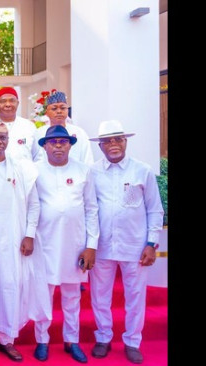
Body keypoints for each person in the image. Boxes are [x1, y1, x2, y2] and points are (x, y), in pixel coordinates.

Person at [0, 121, 51, 363]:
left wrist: (29, 234)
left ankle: (7, 340)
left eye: (3, 137)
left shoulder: (22, 167)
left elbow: (34, 204)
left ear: (9, 140)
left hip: (14, 239)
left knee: (11, 285)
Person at [88, 120, 164, 364]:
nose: (113, 144)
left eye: (118, 139)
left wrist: (151, 243)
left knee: (135, 296)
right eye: (107, 140)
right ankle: (103, 337)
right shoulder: (92, 172)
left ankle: (132, 341)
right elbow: (88, 210)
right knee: (100, 296)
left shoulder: (142, 170)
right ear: (100, 146)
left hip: (135, 246)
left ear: (125, 142)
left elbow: (154, 210)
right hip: (102, 247)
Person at [32, 125, 99, 363]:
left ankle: (72, 340)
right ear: (45, 146)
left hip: (75, 244)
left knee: (72, 297)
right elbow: (30, 207)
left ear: (70, 144)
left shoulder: (83, 171)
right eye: (53, 142)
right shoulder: (35, 170)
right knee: (44, 295)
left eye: (63, 141)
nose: (58, 145)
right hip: (44, 244)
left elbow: (91, 209)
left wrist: (91, 245)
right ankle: (42, 340)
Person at [31, 91, 94, 165]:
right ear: (46, 112)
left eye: (63, 108)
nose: (59, 111)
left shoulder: (79, 132)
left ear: (67, 110)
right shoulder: (38, 133)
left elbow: (87, 161)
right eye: (54, 108)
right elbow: (32, 160)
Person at [0, 86, 36, 162]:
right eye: (3, 101)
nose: (8, 104)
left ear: (17, 103)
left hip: (24, 173)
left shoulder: (29, 126)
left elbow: (37, 155)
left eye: (12, 100)